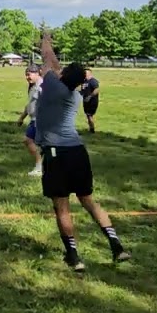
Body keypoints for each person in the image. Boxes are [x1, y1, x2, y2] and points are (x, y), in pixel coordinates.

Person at [36, 31, 131, 272]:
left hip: (57, 153)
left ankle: (73, 256)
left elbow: (48, 58)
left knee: (62, 206)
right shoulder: (74, 95)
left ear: (64, 76)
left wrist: (46, 38)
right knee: (88, 201)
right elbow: (56, 67)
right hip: (78, 152)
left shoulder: (52, 87)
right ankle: (117, 246)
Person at [15, 65, 43, 176]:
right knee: (38, 143)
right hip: (34, 119)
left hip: (40, 120)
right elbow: (30, 105)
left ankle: (39, 167)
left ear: (37, 73)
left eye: (29, 74)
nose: (27, 77)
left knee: (28, 140)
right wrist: (22, 117)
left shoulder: (42, 86)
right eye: (26, 75)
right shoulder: (32, 86)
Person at [81, 68, 101, 133]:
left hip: (92, 101)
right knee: (88, 115)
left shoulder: (93, 81)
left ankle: (92, 129)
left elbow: (97, 90)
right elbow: (82, 90)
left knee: (89, 115)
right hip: (86, 101)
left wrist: (90, 96)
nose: (84, 75)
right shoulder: (84, 81)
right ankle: (90, 128)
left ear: (89, 73)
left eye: (85, 73)